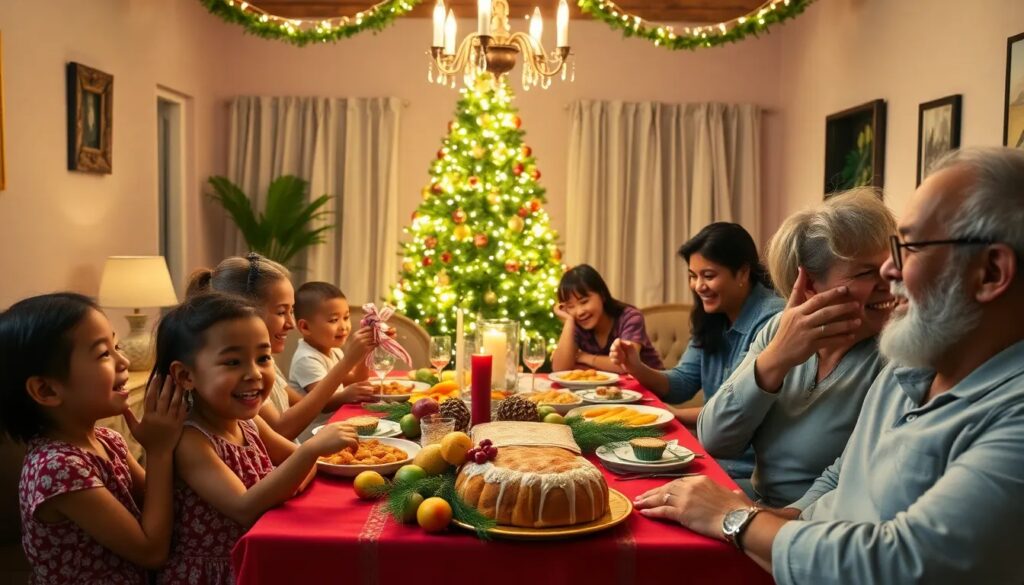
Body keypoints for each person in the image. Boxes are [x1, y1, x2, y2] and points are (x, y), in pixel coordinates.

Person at [634, 147, 1024, 584]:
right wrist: (766, 519)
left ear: (992, 272)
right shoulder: (910, 368)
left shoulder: (995, 403)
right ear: (810, 284)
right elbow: (843, 475)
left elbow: (904, 564)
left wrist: (740, 520)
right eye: (869, 267)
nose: (890, 272)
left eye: (908, 248)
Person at [696, 188, 896, 507]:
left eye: (892, 265)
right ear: (810, 284)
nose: (892, 280)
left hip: (821, 522)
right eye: (866, 272)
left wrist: (764, 522)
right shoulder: (779, 329)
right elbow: (715, 439)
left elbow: (861, 481)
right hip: (761, 504)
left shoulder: (896, 353)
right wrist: (776, 357)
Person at [153, 293, 358, 584]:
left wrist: (288, 478)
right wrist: (309, 451)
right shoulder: (191, 440)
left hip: (259, 552)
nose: (254, 373)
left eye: (263, 358)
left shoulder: (248, 422)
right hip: (219, 573)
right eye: (232, 362)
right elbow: (245, 508)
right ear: (186, 376)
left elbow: (302, 467)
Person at [0, 292, 186, 583]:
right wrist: (159, 451)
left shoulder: (108, 440)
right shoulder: (57, 468)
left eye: (116, 346)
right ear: (47, 390)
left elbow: (159, 500)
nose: (123, 361)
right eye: (103, 354)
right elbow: (151, 551)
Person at [611, 223, 782, 488]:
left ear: (743, 272)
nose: (698, 286)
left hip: (748, 470)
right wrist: (635, 366)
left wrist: (668, 415)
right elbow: (681, 384)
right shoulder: (714, 315)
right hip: (713, 455)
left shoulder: (772, 319)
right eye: (693, 276)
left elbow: (736, 408)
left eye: (708, 276)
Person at [187, 254, 376, 440]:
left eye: (291, 311)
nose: (291, 324)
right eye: (280, 312)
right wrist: (347, 362)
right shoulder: (245, 379)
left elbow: (307, 405)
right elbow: (282, 429)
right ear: (245, 313)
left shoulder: (269, 366)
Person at [551, 264, 663, 372]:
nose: (579, 312)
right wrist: (568, 321)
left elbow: (626, 364)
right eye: (571, 306)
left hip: (650, 383)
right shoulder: (577, 324)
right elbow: (559, 369)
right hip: (610, 384)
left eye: (584, 302)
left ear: (602, 295)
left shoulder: (630, 317)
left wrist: (584, 357)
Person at [289, 282, 371, 429]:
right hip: (317, 431)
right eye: (334, 320)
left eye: (346, 317)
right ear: (305, 327)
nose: (344, 326)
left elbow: (355, 380)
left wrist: (366, 351)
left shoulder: (334, 350)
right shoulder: (306, 359)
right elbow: (323, 404)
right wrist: (345, 395)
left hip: (338, 422)